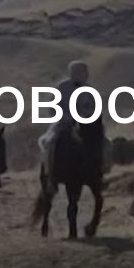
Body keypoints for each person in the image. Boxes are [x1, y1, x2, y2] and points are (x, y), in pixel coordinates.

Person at [37, 60, 92, 194]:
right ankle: (50, 177)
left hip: (84, 125)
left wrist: (88, 116)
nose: (84, 75)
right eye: (80, 72)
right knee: (49, 143)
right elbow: (52, 108)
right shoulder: (61, 88)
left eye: (85, 72)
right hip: (62, 124)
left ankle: (99, 175)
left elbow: (94, 108)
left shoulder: (90, 90)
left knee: (105, 143)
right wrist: (65, 116)